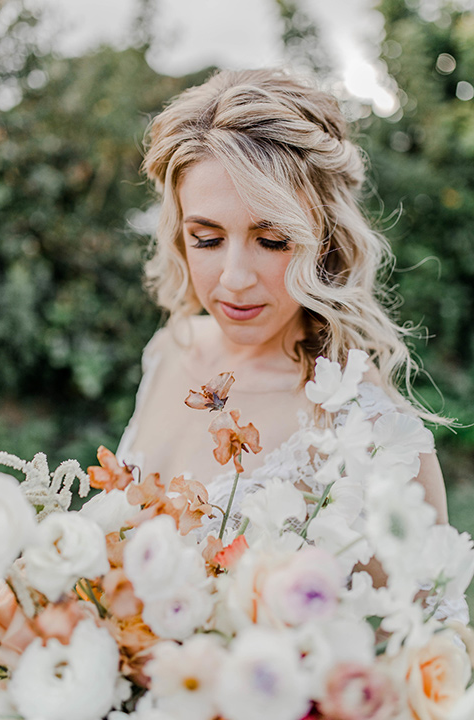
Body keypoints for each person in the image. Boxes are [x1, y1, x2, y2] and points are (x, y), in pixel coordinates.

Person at [117, 67, 448, 537]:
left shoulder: (369, 426)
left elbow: (424, 609)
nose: (233, 279)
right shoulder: (170, 348)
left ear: (326, 238)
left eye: (272, 240)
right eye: (207, 239)